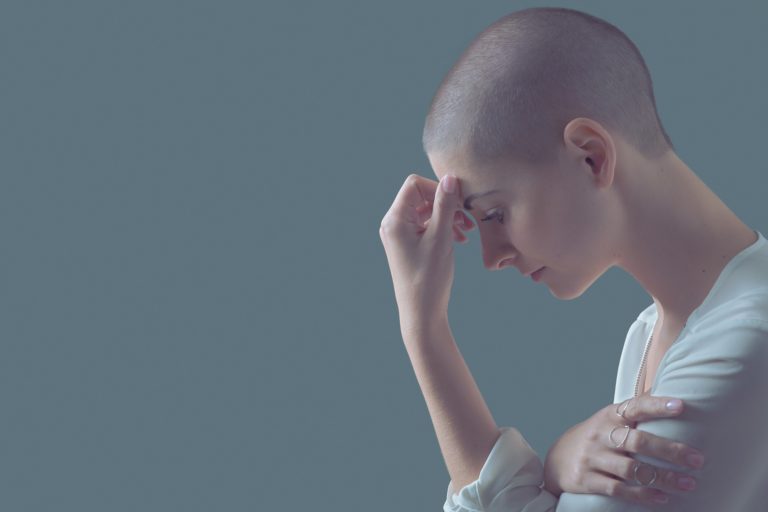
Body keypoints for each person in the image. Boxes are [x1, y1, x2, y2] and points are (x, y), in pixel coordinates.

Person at [378, 6, 768, 511]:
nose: (491, 258)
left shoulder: (745, 344)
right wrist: (559, 463)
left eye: (494, 214)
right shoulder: (648, 333)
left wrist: (423, 329)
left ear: (591, 156)